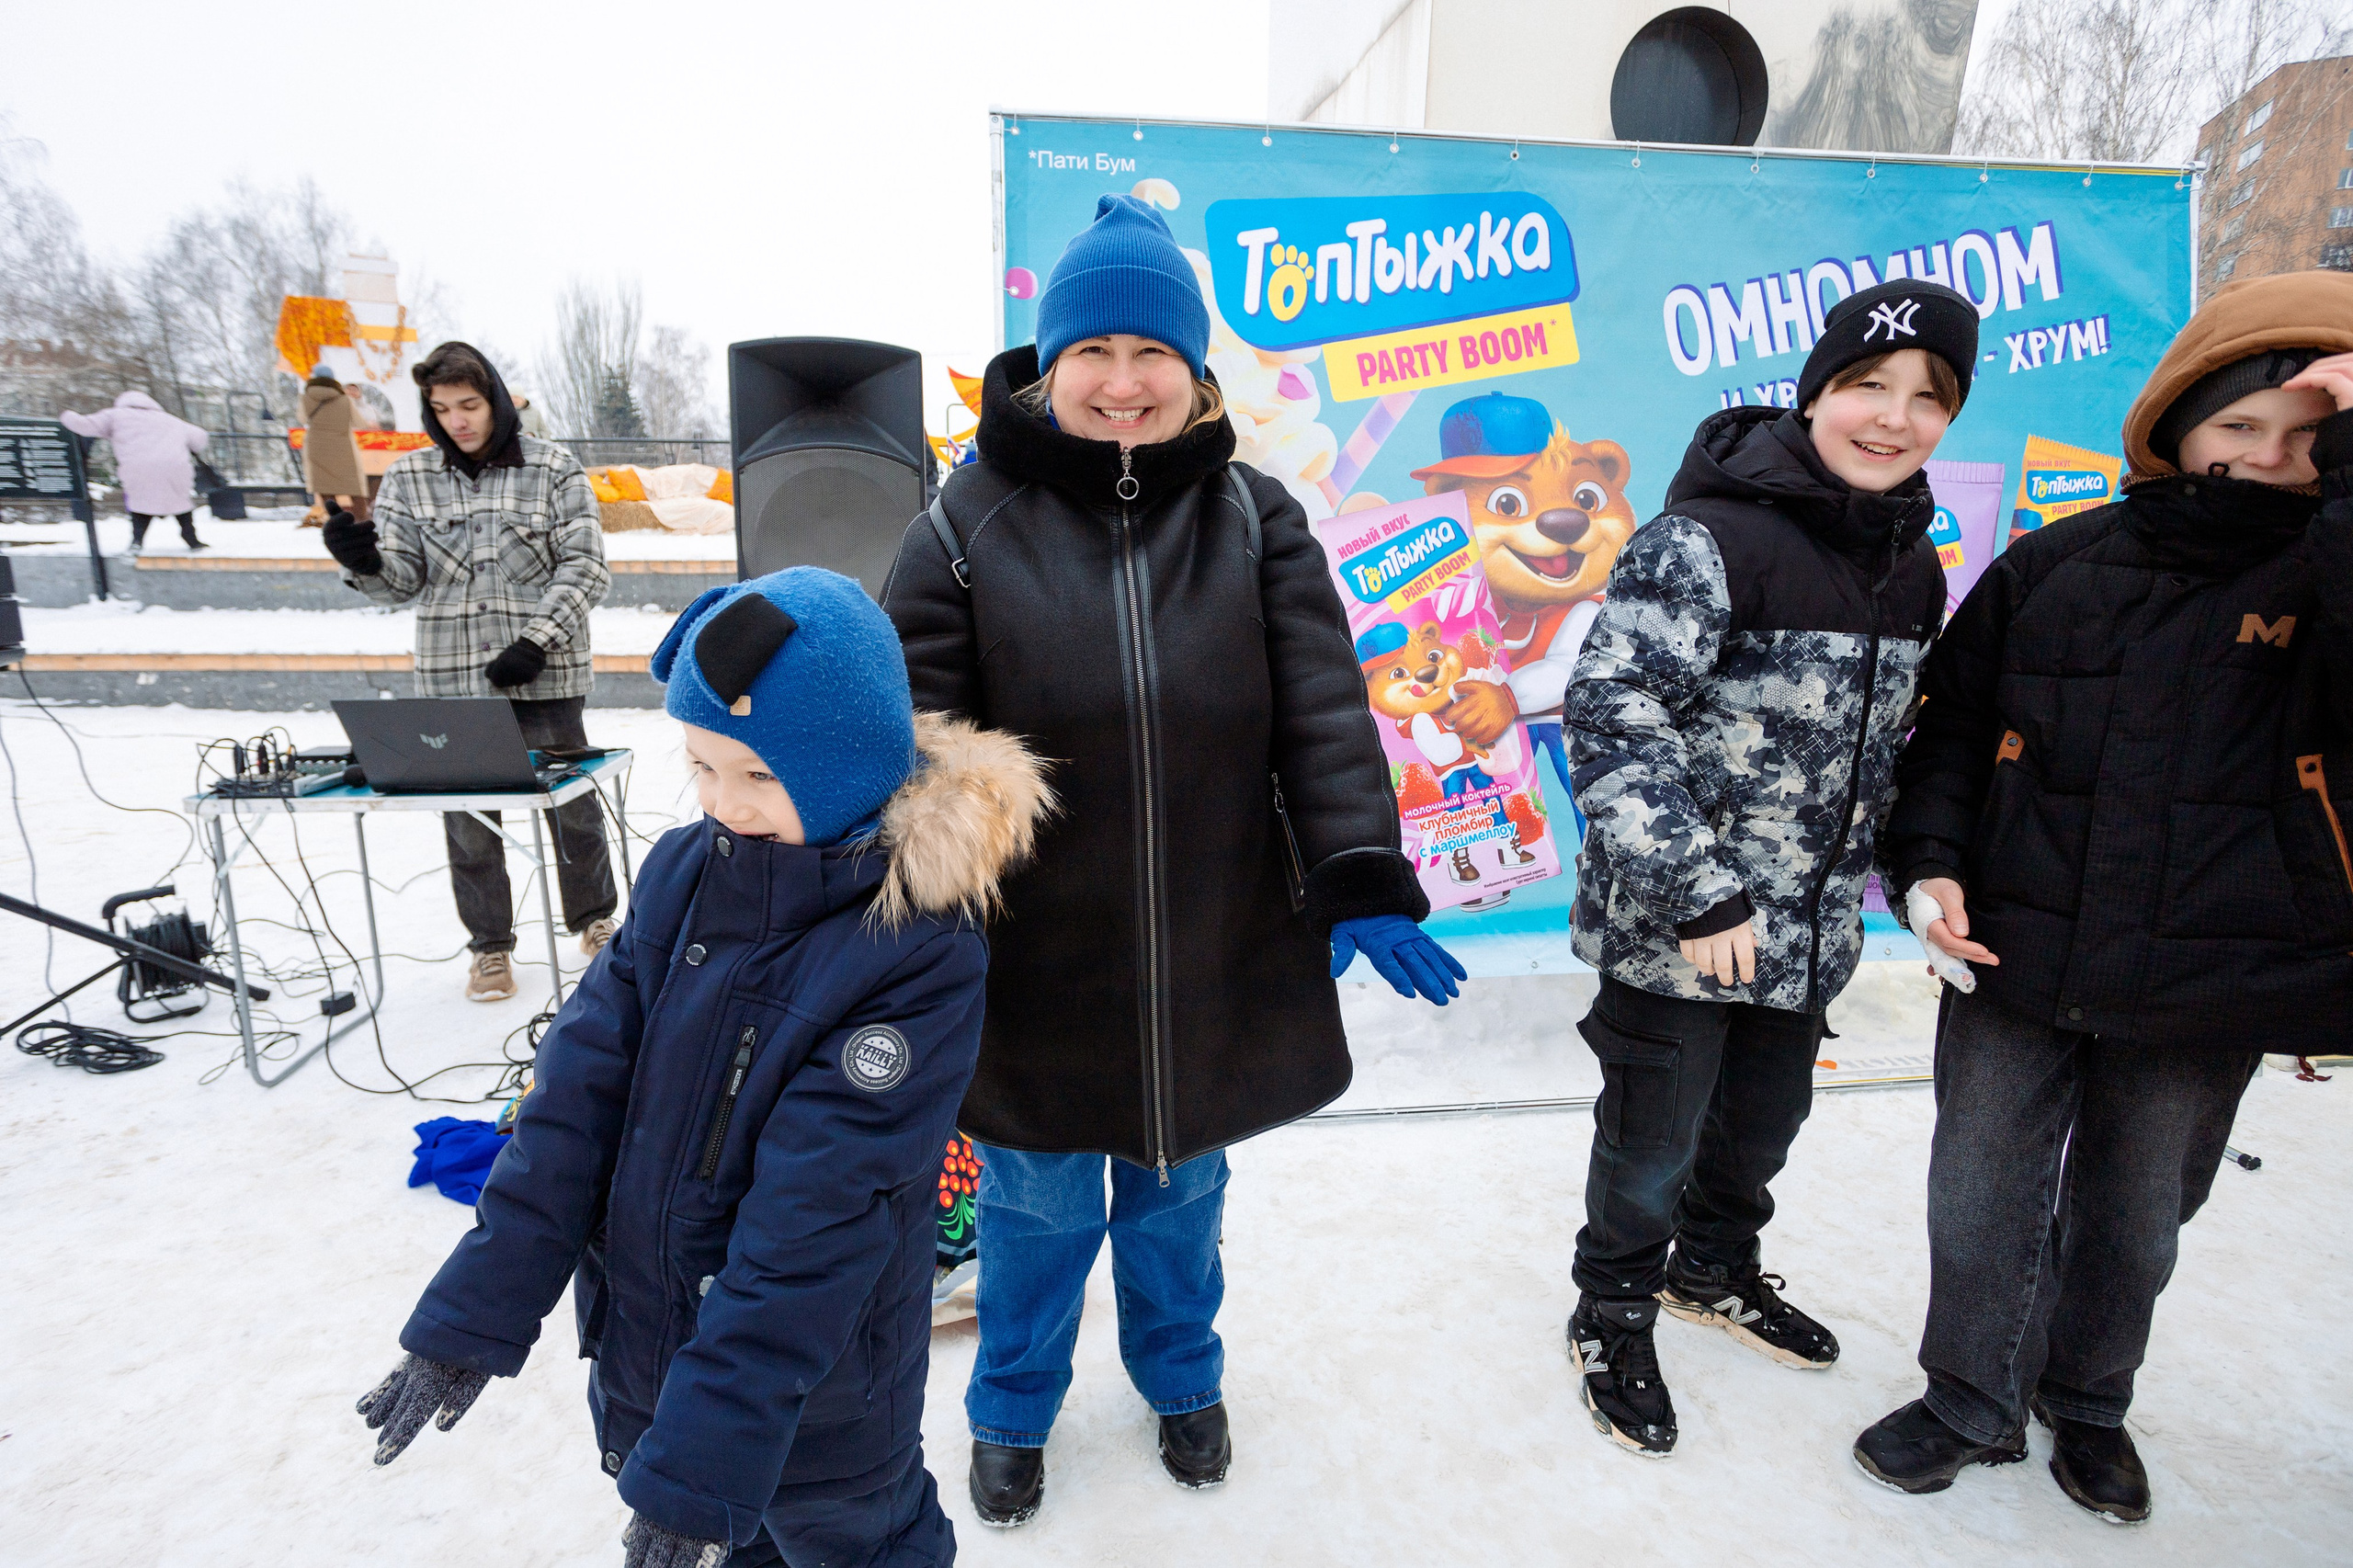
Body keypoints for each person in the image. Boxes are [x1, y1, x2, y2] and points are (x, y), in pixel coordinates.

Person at [883, 193, 1463, 1526]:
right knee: (1033, 1212)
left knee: (1180, 1195)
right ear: (1049, 362)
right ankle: (1012, 1407)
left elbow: (1322, 705)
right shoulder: (966, 521)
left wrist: (1359, 869)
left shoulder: (1256, 518)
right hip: (1038, 961)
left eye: (1156, 355)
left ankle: (1181, 1377)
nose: (1125, 381)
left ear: (1196, 372)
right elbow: (910, 725)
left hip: (1213, 943)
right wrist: (925, 895)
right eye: (1097, 352)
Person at [358, 568, 1052, 1567]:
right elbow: (572, 1102)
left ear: (848, 763)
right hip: (654, 1356)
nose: (725, 804)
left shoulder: (913, 951)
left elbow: (815, 1220)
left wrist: (702, 1461)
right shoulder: (686, 872)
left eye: (761, 776)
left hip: (821, 1395)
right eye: (702, 766)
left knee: (860, 1546)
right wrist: (470, 1315)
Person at [1855, 270, 2353, 1523]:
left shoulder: (2326, 571)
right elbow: (1954, 731)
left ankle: (2088, 1401)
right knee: (1980, 1190)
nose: (2264, 459)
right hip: (2017, 941)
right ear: (2177, 423)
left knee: (2138, 1214)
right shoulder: (2055, 562)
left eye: (2305, 439)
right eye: (2238, 426)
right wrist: (1926, 868)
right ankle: (1969, 1394)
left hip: (2216, 967)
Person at [1563, 279, 1980, 1456]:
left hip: (1805, 938)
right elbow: (1611, 713)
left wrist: (1919, 878)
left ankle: (1714, 1268)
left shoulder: (1911, 564)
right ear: (1815, 394)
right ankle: (1614, 1308)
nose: (1892, 417)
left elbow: (1890, 749)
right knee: (1650, 1140)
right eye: (1865, 386)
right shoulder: (1705, 539)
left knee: (1759, 1127)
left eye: (1926, 397)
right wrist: (1698, 888)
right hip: (1679, 929)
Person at [322, 341, 619, 1001]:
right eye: (442, 408)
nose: (457, 419)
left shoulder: (553, 469)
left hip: (546, 676)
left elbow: (586, 566)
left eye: (470, 405)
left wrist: (538, 641)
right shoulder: (408, 478)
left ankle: (595, 922)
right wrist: (362, 562)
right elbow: (399, 580)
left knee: (571, 811)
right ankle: (489, 948)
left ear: (498, 402)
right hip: (455, 682)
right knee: (469, 822)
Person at [59, 389, 210, 550]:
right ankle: (191, 538)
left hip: (138, 468)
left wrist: (65, 414)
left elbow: (84, 425)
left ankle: (137, 541)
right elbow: (200, 437)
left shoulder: (115, 415)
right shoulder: (170, 419)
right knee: (179, 501)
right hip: (175, 467)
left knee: (140, 501)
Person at [301, 362, 369, 522]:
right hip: (343, 448)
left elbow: (302, 418)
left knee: (326, 488)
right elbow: (361, 423)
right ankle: (362, 520)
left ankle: (336, 522)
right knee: (354, 488)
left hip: (317, 447)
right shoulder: (344, 399)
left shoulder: (305, 398)